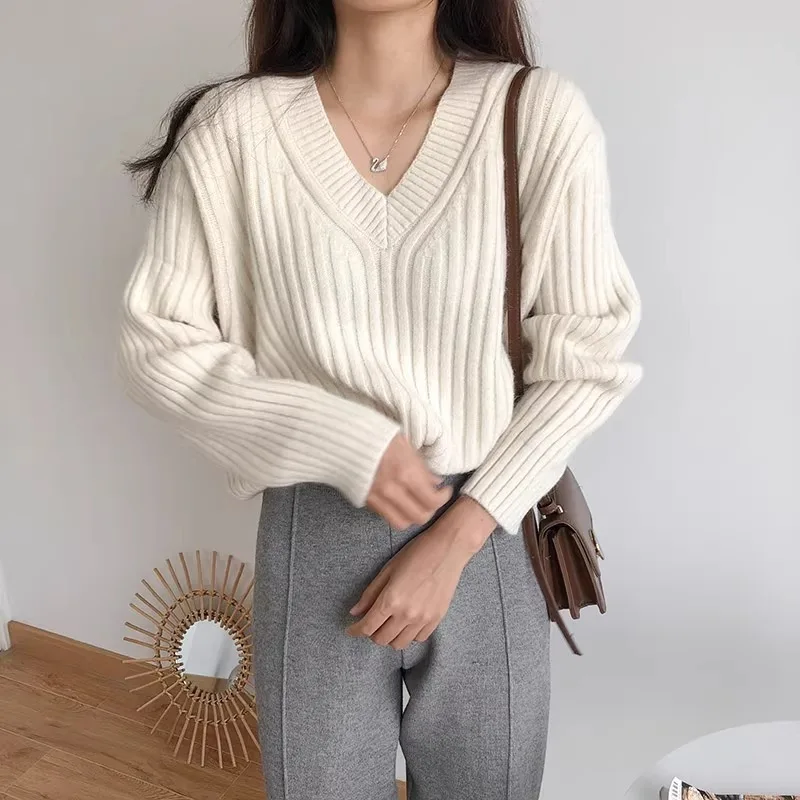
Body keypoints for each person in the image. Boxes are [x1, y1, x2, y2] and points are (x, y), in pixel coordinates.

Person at [118, 1, 642, 798]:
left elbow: (587, 357)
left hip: (489, 529)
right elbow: (158, 346)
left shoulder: (535, 115)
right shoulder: (233, 130)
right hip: (313, 527)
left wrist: (461, 535)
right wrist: (342, 440)